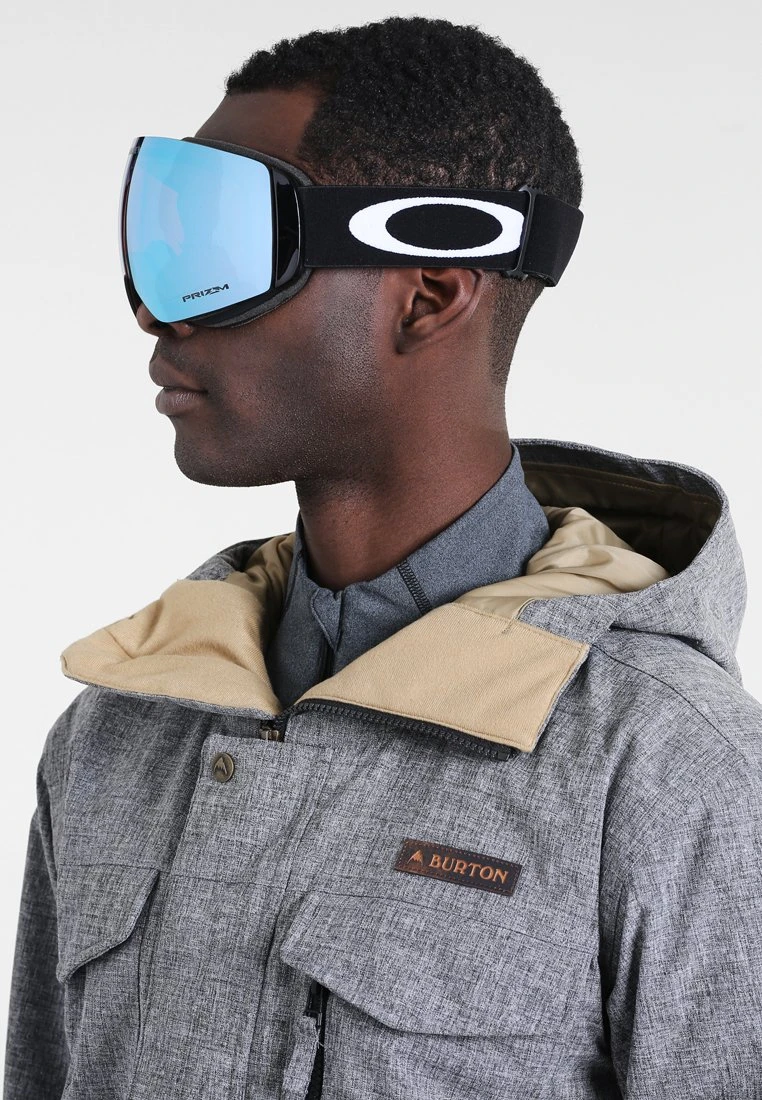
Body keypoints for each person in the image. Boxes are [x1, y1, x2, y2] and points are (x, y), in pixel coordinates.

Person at [4, 15, 761, 1100]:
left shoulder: (670, 774)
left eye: (223, 255)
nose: (158, 316)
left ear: (431, 293)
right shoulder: (114, 737)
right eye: (160, 248)